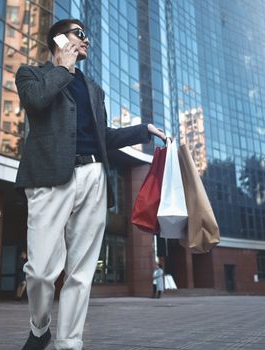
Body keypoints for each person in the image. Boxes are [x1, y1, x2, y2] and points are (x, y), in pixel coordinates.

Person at [14, 19, 166, 350]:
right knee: (40, 271)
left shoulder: (94, 89)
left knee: (80, 272)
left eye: (87, 36)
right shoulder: (31, 74)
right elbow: (37, 102)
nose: (87, 40)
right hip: (49, 176)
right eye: (79, 34)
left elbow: (103, 136)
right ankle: (39, 329)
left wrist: (143, 130)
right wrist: (64, 69)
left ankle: (69, 343)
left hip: (93, 177)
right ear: (58, 38)